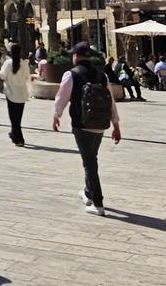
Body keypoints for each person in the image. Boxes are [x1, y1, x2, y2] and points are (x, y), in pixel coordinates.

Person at [51, 42, 121, 216]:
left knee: (90, 162)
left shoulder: (71, 75)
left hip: (82, 125)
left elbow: (62, 97)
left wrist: (56, 116)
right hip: (100, 125)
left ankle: (98, 203)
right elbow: (110, 100)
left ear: (76, 56)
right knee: (91, 158)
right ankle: (88, 192)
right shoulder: (101, 75)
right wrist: (116, 124)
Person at [0, 41, 32, 145]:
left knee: (13, 117)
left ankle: (19, 138)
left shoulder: (8, 63)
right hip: (22, 93)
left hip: (10, 92)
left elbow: (2, 75)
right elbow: (27, 77)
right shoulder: (24, 64)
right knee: (18, 117)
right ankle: (14, 134)